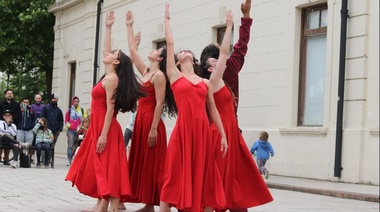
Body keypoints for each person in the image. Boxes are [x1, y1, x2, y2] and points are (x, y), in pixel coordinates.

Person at [65, 10, 145, 212]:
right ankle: (101, 205)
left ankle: (108, 206)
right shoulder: (107, 76)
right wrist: (108, 27)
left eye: (112, 55)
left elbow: (110, 109)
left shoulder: (112, 80)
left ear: (116, 62)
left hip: (106, 129)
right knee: (102, 167)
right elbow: (106, 51)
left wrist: (102, 135)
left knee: (108, 168)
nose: (107, 55)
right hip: (100, 127)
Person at [197, 9, 273, 211]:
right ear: (211, 65)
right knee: (221, 179)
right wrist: (240, 21)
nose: (224, 53)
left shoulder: (224, 73)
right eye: (218, 55)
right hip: (221, 133)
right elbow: (238, 48)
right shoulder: (217, 76)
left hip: (231, 133)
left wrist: (242, 19)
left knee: (235, 180)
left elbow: (235, 49)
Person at [160, 4, 228, 212]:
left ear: (193, 59)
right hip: (183, 132)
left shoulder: (204, 82)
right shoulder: (174, 75)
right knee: (173, 174)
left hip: (202, 133)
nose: (185, 51)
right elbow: (170, 44)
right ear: (179, 62)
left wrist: (223, 135)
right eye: (182, 52)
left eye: (188, 51)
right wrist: (167, 20)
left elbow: (213, 109)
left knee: (205, 174)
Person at [126, 10, 177, 211]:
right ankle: (148, 204)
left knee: (154, 165)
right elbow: (132, 50)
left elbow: (159, 103)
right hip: (141, 120)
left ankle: (158, 203)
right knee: (145, 163)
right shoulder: (147, 72)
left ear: (161, 58)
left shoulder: (159, 76)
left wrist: (154, 128)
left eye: (157, 50)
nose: (153, 50)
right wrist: (129, 26)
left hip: (152, 122)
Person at [200, 0, 253, 118]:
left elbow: (238, 48)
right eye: (215, 61)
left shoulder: (203, 80)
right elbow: (241, 46)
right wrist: (245, 16)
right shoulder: (228, 69)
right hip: (227, 123)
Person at [64, 96, 88, 166]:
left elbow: (85, 119)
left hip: (79, 130)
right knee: (70, 144)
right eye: (75, 101)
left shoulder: (82, 110)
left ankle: (77, 159)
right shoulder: (69, 111)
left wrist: (82, 127)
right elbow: (66, 120)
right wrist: (69, 125)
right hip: (71, 130)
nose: (76, 102)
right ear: (73, 102)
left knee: (78, 144)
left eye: (77, 101)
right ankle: (69, 159)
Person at [0, 89, 21, 165]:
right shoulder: (1, 103)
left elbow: (19, 114)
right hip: (2, 122)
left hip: (12, 124)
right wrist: (5, 119)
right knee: (3, 138)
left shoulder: (16, 104)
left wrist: (11, 120)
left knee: (10, 141)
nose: (9, 95)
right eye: (8, 93)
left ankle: (6, 159)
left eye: (11, 93)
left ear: (13, 95)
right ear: (5, 95)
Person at [17, 97, 36, 164]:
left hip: (29, 130)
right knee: (19, 144)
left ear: (29, 103)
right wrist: (21, 111)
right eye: (24, 102)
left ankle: (28, 158)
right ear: (22, 103)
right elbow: (16, 118)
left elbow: (34, 120)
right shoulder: (19, 110)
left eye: (27, 102)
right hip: (20, 129)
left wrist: (31, 126)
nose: (26, 104)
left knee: (28, 145)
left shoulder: (31, 110)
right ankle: (20, 157)